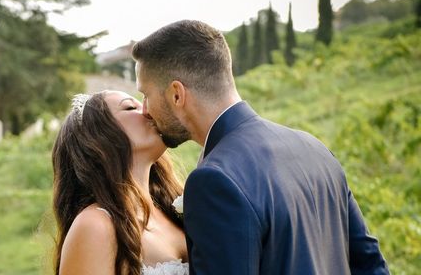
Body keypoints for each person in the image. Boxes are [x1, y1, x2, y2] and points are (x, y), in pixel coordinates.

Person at [132, 19, 390, 275]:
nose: (144, 109)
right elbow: (371, 266)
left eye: (146, 95)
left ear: (177, 94)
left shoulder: (214, 180)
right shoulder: (314, 148)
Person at [52, 90, 189, 275]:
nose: (149, 111)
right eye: (131, 107)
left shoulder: (172, 209)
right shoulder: (95, 226)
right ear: (98, 139)